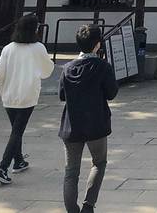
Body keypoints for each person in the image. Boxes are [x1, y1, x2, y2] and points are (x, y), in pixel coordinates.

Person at [59, 23, 118, 213]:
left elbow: (62, 95)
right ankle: (88, 205)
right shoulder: (102, 67)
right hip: (96, 123)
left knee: (71, 171)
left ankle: (71, 209)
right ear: (98, 44)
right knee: (99, 163)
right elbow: (111, 93)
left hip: (71, 125)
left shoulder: (67, 68)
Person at [0, 13, 55, 185]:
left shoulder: (8, 48)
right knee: (17, 131)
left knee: (16, 129)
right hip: (27, 94)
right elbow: (47, 71)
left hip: (9, 94)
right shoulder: (38, 48)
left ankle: (18, 160)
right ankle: (2, 168)